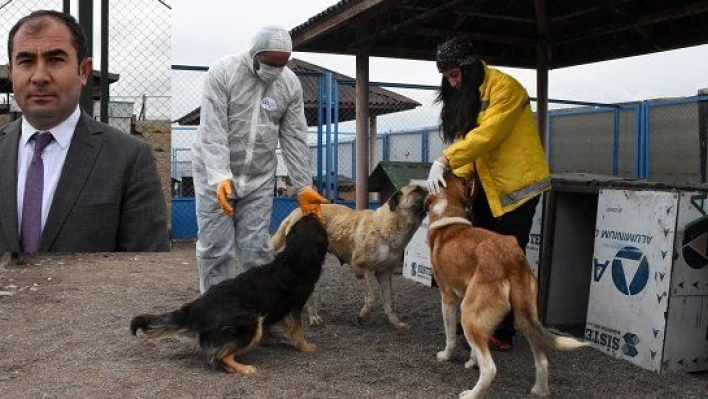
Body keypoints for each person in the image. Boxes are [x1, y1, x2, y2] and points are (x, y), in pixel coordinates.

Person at [0, 10, 169, 253]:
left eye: (56, 59)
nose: (39, 77)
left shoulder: (129, 159)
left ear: (84, 71)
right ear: (11, 71)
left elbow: (145, 268)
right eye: (25, 61)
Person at [426, 36, 550, 351]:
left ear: (468, 68)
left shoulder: (506, 88)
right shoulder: (472, 93)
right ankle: (481, 321)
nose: (452, 84)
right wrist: (453, 176)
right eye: (447, 77)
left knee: (505, 261)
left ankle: (503, 334)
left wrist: (446, 160)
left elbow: (487, 137)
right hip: (489, 190)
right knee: (483, 261)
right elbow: (474, 149)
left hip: (517, 191)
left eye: (454, 75)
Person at [191, 25, 328, 293]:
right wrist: (219, 175)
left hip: (259, 178)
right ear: (255, 54)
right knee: (216, 248)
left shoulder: (289, 84)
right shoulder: (223, 72)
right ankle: (219, 315)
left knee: (256, 249)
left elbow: (294, 136)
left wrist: (303, 185)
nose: (274, 70)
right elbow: (213, 127)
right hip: (215, 177)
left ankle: (257, 315)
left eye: (281, 64)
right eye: (269, 63)